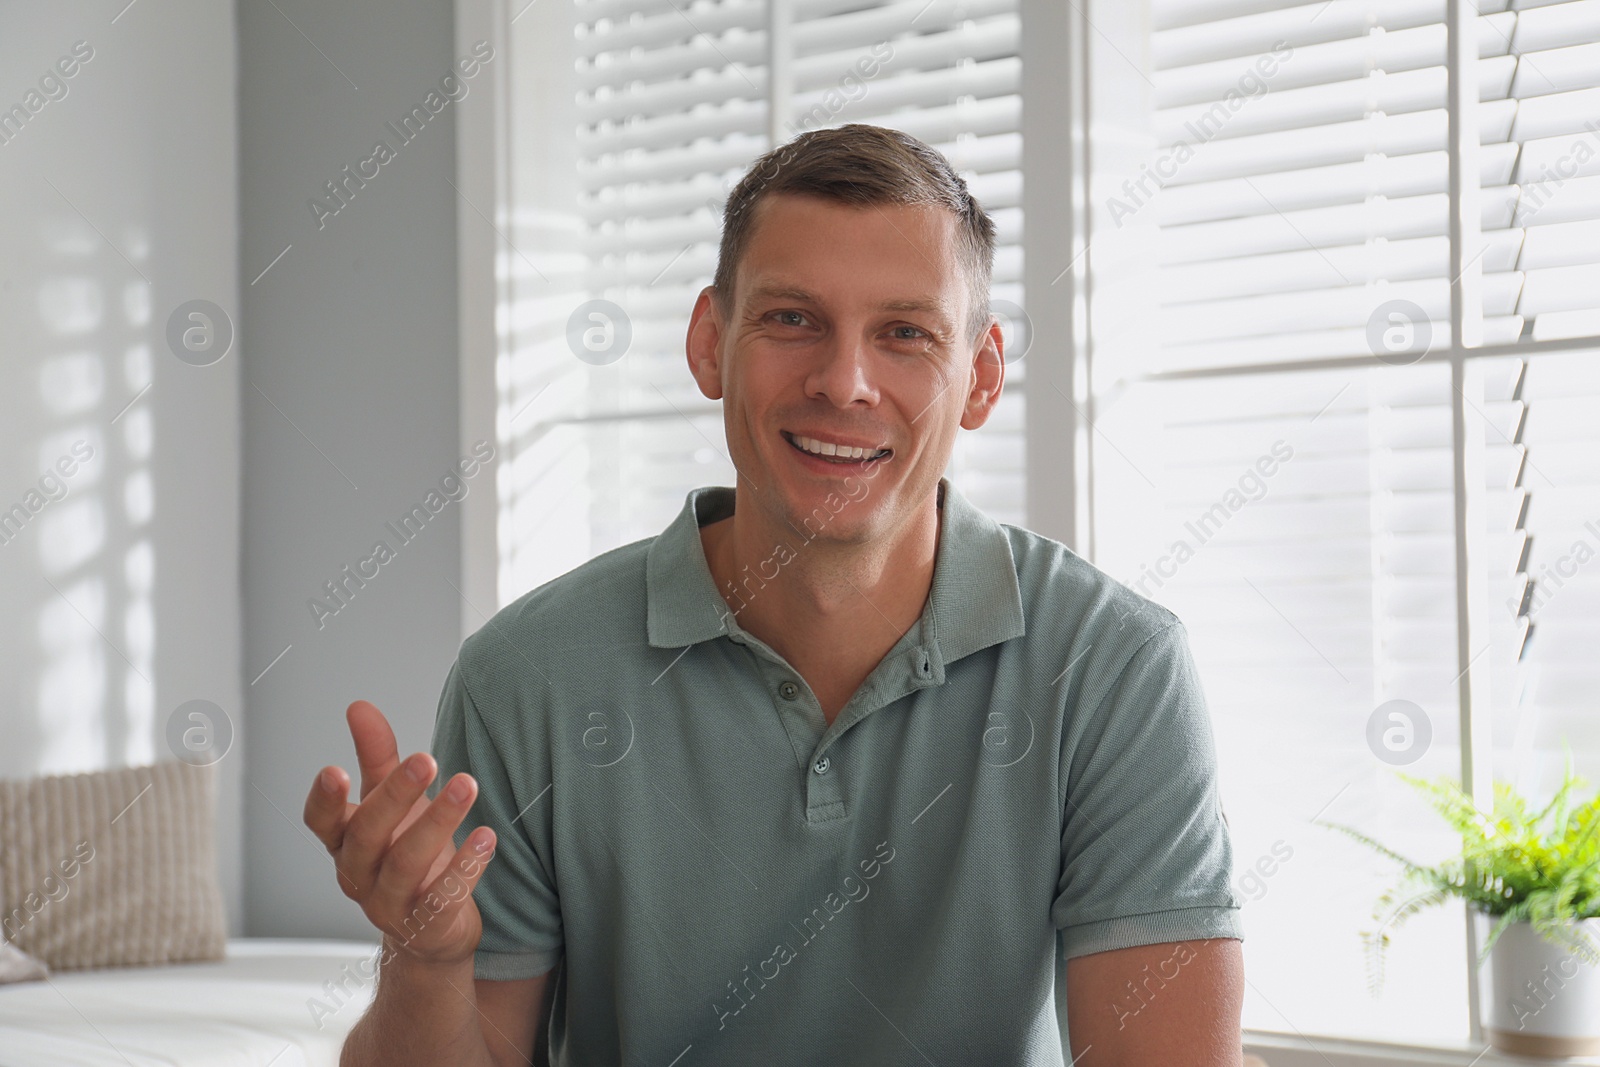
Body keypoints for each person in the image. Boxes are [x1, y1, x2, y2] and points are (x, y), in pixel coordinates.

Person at [304, 122, 1245, 1067]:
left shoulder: (1116, 668)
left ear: (981, 376)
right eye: (792, 319)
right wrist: (426, 962)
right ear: (710, 343)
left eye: (905, 333)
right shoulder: (524, 676)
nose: (844, 383)